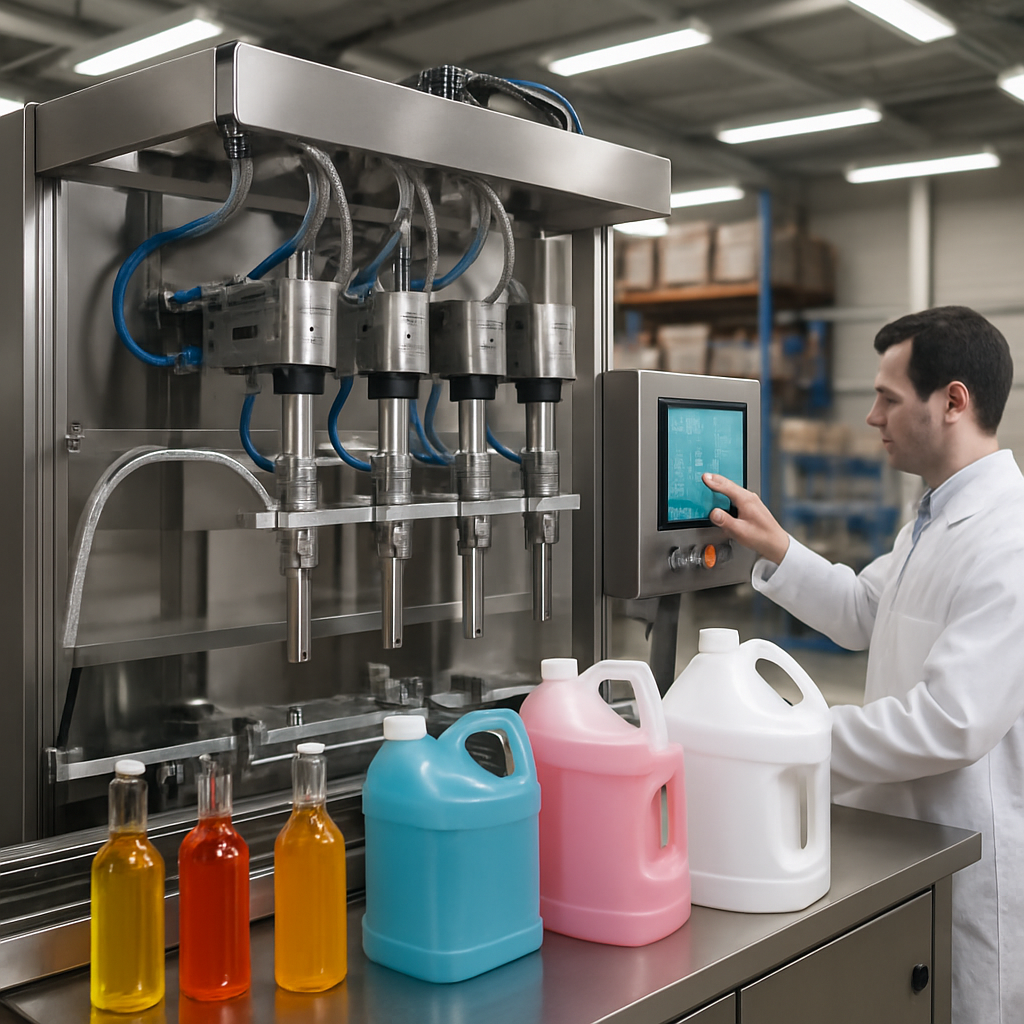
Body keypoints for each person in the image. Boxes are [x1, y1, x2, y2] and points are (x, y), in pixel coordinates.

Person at [703, 305, 1024, 1024]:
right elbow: (863, 610)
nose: (873, 416)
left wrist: (792, 743)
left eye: (888, 397)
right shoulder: (931, 520)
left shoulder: (1010, 538)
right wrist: (776, 546)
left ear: (952, 401)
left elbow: (952, 722)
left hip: (969, 856)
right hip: (906, 837)